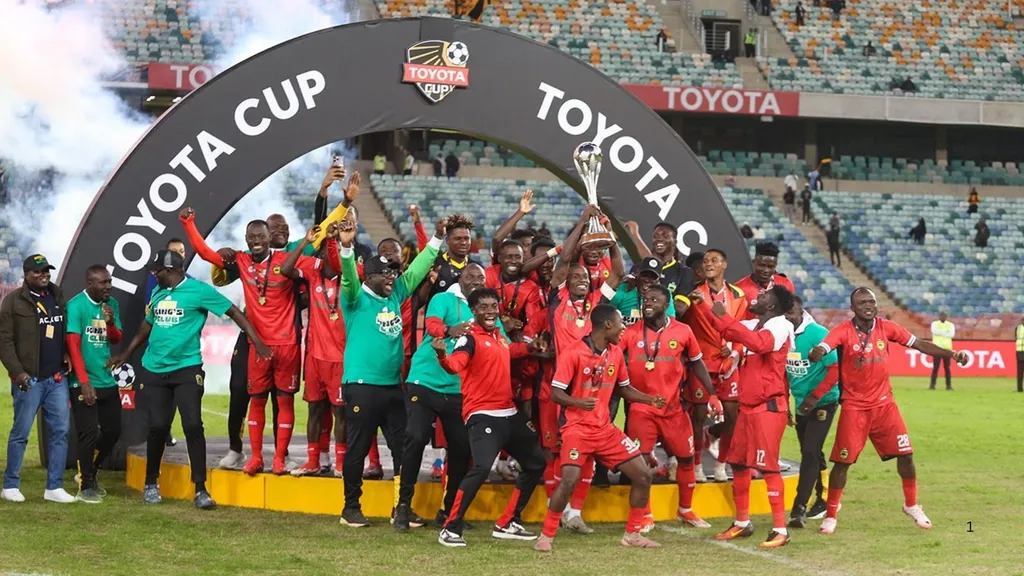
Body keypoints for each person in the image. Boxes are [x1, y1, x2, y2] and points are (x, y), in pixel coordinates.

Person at [110, 249, 270, 509]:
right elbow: (147, 325)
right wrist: (126, 353)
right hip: (154, 369)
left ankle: (200, 489)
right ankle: (151, 484)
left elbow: (234, 312)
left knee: (193, 425)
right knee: (158, 427)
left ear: (170, 271)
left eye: (157, 270)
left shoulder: (199, 291)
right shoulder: (158, 292)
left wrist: (256, 341)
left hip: (187, 368)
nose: (154, 274)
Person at [804, 287, 969, 534]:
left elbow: (920, 344)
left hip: (884, 405)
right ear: (853, 308)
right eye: (862, 302)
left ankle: (911, 504)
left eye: (871, 301)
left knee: (906, 455)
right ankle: (831, 513)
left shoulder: (887, 327)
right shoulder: (843, 331)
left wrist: (952, 354)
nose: (868, 306)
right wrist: (816, 353)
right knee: (842, 461)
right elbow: (824, 348)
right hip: (855, 408)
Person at [335, 215, 444, 527]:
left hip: (393, 386)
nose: (392, 277)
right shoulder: (355, 298)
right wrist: (345, 248)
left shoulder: (396, 294)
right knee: (357, 448)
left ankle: (402, 506)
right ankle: (351, 508)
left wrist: (436, 239)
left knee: (403, 449)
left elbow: (417, 270)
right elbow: (347, 278)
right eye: (384, 273)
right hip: (362, 385)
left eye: (393, 272)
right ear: (368, 277)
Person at [181, 208, 306, 476]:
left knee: (282, 400)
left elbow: (319, 256)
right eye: (252, 237)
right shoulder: (241, 260)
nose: (256, 240)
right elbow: (206, 255)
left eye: (261, 236)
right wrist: (189, 223)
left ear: (269, 238)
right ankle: (245, 453)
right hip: (253, 341)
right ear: (247, 239)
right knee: (248, 394)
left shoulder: (289, 259)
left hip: (286, 342)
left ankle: (281, 458)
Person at [535, 304, 667, 551]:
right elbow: (555, 393)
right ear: (607, 324)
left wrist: (650, 399)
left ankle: (633, 534)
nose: (623, 329)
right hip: (576, 428)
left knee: (643, 475)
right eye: (620, 323)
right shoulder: (573, 352)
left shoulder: (615, 353)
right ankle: (546, 536)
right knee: (569, 480)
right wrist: (577, 402)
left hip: (605, 430)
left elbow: (623, 388)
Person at [434, 288, 546, 547]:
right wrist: (442, 355)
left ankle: (507, 522)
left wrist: (530, 347)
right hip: (483, 414)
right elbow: (456, 365)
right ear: (474, 311)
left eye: (494, 306)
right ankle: (450, 528)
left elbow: (508, 351)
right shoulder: (469, 337)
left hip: (508, 412)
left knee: (536, 463)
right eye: (484, 306)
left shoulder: (498, 335)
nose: (490, 311)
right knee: (482, 467)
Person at [697, 285, 795, 548]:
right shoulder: (754, 323)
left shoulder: (779, 325)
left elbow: (760, 344)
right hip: (748, 407)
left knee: (768, 467)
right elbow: (726, 328)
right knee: (739, 464)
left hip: (768, 407)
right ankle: (742, 523)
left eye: (764, 296)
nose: (757, 296)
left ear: (772, 305)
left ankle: (780, 529)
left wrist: (723, 317)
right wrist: (703, 306)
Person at [396, 262, 488, 530]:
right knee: (414, 437)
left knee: (462, 447)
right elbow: (433, 324)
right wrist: (450, 330)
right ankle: (403, 506)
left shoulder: (484, 308)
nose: (475, 282)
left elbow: (501, 341)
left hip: (457, 388)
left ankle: (449, 512)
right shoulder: (444, 298)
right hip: (425, 380)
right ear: (462, 278)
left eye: (480, 278)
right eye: (471, 277)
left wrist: (526, 348)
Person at [620, 284, 720, 530]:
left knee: (686, 459)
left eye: (654, 300)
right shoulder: (630, 333)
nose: (648, 304)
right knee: (640, 463)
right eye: (645, 300)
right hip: (641, 409)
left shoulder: (683, 331)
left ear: (667, 306)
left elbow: (697, 364)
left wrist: (713, 395)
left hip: (674, 409)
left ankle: (685, 509)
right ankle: (645, 514)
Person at [0, 254, 74, 504]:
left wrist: (65, 352)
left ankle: (54, 486)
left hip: (56, 378)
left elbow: (61, 330)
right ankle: (10, 484)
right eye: (38, 272)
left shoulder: (57, 295)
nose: (44, 275)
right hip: (28, 379)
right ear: (26, 274)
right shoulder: (12, 302)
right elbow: (5, 342)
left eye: (46, 271)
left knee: (61, 431)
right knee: (21, 432)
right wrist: (18, 373)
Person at [280, 224, 348, 476]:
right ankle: (314, 460)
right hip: (315, 357)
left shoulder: (351, 276)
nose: (332, 256)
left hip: (341, 358)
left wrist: (339, 244)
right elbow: (286, 269)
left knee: (341, 412)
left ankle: (341, 462)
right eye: (328, 252)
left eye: (337, 251)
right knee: (314, 409)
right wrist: (303, 243)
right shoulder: (313, 270)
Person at [685, 249, 748, 482]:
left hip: (728, 364)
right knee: (698, 416)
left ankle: (721, 464)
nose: (709, 264)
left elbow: (745, 330)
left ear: (724, 265)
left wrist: (733, 348)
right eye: (705, 261)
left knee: (733, 417)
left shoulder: (739, 296)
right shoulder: (695, 295)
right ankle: (698, 464)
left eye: (714, 260)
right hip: (702, 363)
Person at [65, 266, 124, 503]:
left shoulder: (112, 305)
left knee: (113, 431)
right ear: (90, 283)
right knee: (88, 432)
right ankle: (86, 486)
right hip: (83, 380)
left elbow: (116, 339)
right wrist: (83, 382)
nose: (108, 286)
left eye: (109, 282)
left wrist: (110, 323)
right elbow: (73, 346)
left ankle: (90, 471)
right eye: (103, 283)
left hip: (106, 377)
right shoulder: (76, 305)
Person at [783, 296, 838, 527]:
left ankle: (799, 508)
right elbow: (782, 373)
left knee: (809, 450)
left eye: (792, 313)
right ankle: (824, 497)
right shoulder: (780, 334)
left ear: (801, 311)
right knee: (812, 450)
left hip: (823, 401)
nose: (788, 318)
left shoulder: (817, 333)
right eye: (784, 314)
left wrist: (814, 397)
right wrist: (786, 405)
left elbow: (835, 370)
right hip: (800, 403)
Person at [624, 220, 696, 320]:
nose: (659, 239)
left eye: (665, 236)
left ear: (674, 242)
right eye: (656, 236)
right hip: (636, 328)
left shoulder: (685, 273)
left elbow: (680, 309)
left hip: (665, 330)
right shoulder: (638, 268)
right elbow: (626, 297)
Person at [736, 242, 796, 320]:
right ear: (754, 262)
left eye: (770, 267)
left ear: (775, 266)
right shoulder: (739, 288)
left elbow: (791, 311)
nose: (766, 270)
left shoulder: (786, 284)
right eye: (762, 265)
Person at [429, 214, 481, 302]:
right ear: (447, 240)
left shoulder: (477, 268)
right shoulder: (434, 265)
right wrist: (428, 284)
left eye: (467, 238)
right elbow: (420, 300)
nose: (463, 242)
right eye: (458, 238)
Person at [929, 312, 955, 391]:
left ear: (946, 317)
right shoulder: (934, 324)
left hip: (947, 349)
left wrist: (941, 332)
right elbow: (934, 332)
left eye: (944, 316)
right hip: (937, 348)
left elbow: (951, 334)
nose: (943, 317)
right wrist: (945, 332)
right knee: (935, 368)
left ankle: (948, 386)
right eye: (941, 316)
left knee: (947, 368)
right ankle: (932, 385)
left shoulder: (950, 325)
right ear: (939, 317)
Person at [1015, 317, 1024, 393]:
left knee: (1020, 371)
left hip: (1019, 351)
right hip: (1020, 351)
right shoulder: (1018, 328)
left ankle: (1019, 388)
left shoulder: (1018, 328)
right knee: (1020, 372)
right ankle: (1019, 388)